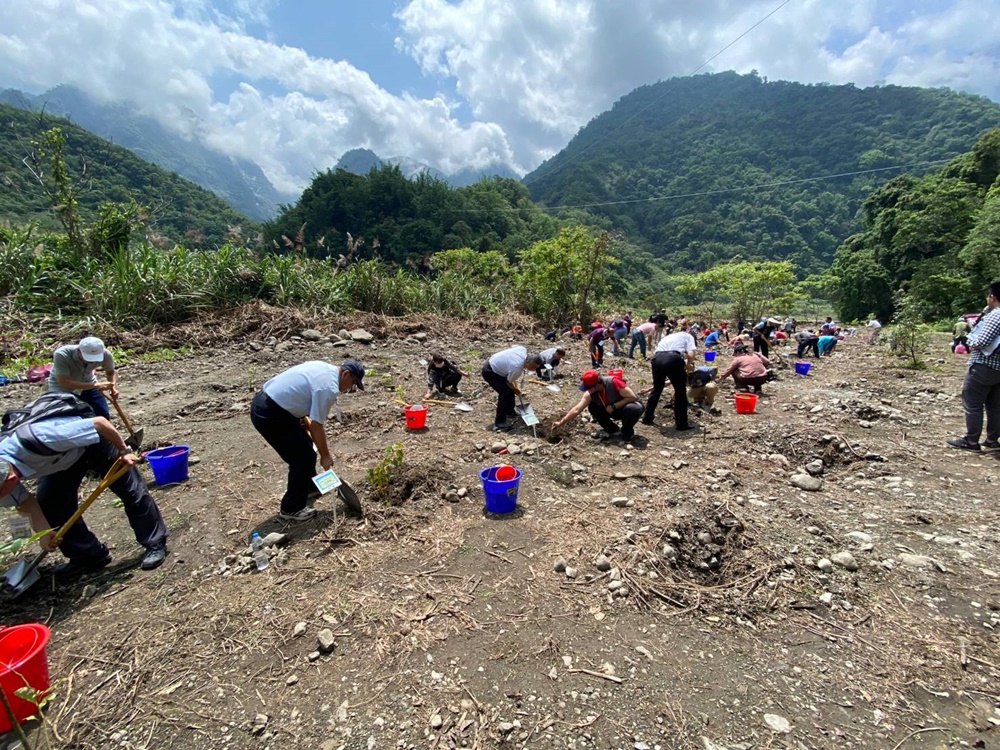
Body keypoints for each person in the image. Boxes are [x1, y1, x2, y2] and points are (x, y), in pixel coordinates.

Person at [0, 394, 168, 575]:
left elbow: (99, 423)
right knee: (51, 503)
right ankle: (88, 555)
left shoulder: (42, 438)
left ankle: (155, 542)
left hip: (92, 441)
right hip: (60, 459)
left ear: (11, 479)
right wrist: (44, 533)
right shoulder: (4, 473)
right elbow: (25, 503)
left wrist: (123, 450)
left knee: (130, 489)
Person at [251, 360, 365, 521]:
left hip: (272, 404)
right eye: (352, 384)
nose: (349, 389)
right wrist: (326, 456)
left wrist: (305, 427)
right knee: (302, 458)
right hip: (271, 414)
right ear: (345, 374)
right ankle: (291, 508)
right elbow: (317, 425)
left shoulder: (323, 367)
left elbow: (305, 406)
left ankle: (310, 487)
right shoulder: (329, 388)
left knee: (307, 449)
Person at [948, 282, 1000, 451]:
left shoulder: (996, 315)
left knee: (973, 403)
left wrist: (969, 340)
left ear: (992, 297)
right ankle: (992, 440)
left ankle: (971, 441)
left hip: (984, 366)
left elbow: (982, 341)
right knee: (995, 405)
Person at [552, 370, 642, 442]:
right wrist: (561, 422)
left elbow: (632, 397)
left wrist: (614, 406)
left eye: (589, 388)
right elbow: (577, 409)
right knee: (593, 407)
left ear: (597, 384)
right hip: (610, 409)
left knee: (632, 409)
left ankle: (627, 433)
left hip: (627, 406)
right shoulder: (590, 394)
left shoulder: (613, 382)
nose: (588, 390)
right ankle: (613, 430)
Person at [48, 337, 117, 420]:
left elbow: (110, 372)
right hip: (62, 389)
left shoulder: (106, 355)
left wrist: (112, 387)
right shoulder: (62, 354)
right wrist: (96, 386)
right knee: (70, 416)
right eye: (88, 358)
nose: (91, 362)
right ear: (79, 351)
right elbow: (64, 383)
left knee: (103, 414)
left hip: (89, 384)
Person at [641, 328, 697, 430]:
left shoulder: (668, 336)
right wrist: (687, 365)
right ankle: (681, 424)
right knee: (680, 392)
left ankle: (647, 418)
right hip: (673, 359)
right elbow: (690, 354)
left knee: (657, 389)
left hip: (656, 359)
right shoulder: (688, 336)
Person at [481, 346, 541, 432]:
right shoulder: (517, 367)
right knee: (504, 393)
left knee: (510, 390)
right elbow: (508, 382)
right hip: (491, 372)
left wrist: (514, 388)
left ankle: (509, 411)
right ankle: (499, 423)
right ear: (527, 362)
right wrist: (516, 390)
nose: (534, 370)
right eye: (533, 367)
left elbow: (511, 380)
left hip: (499, 367)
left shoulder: (522, 350)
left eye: (536, 368)